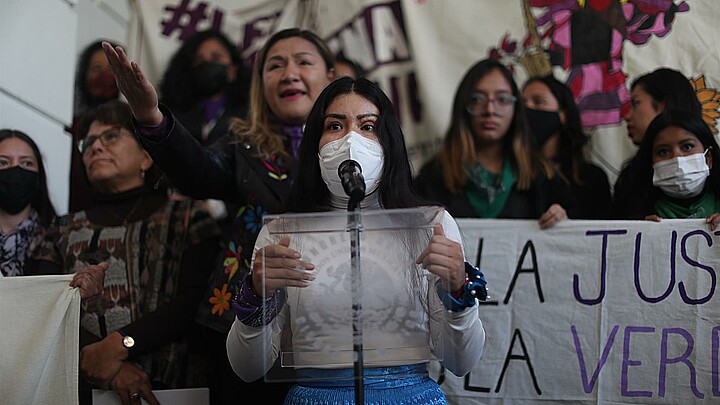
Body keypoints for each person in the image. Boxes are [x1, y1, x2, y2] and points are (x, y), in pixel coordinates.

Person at [102, 28, 336, 403]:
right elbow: (199, 170)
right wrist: (150, 114)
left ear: (330, 77)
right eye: (275, 65)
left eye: (303, 62)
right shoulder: (242, 141)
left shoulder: (360, 146)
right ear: (261, 86)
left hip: (333, 329)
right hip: (241, 326)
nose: (289, 73)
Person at [226, 77, 486, 404]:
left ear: (389, 139)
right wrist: (256, 298)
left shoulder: (430, 225)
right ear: (314, 143)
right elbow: (247, 368)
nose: (351, 139)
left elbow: (463, 363)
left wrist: (458, 294)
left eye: (368, 126)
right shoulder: (281, 233)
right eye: (335, 125)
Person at [31, 100, 222, 405]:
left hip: (174, 388)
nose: (95, 148)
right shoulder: (61, 230)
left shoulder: (187, 218)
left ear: (146, 157)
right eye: (89, 142)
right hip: (80, 389)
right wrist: (108, 365)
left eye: (111, 136)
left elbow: (194, 300)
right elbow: (45, 308)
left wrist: (120, 346)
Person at [414, 58, 577, 228]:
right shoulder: (432, 177)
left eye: (503, 99)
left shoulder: (542, 175)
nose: (490, 110)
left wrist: (563, 222)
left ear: (516, 108)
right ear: (463, 106)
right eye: (477, 99)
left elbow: (577, 240)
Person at [0, 129, 105, 297]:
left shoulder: (60, 239)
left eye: (27, 163)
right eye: (3, 162)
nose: (15, 170)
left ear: (38, 177)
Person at [613, 67, 704, 217]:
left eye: (636, 103)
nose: (627, 116)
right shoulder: (631, 182)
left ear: (663, 105)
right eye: (663, 152)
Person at [522, 75, 612, 219]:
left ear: (563, 115)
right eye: (522, 104)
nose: (527, 109)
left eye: (539, 102)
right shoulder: (512, 173)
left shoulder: (591, 179)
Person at [612, 109, 720, 228]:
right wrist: (636, 229)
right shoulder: (635, 208)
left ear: (708, 158)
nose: (677, 158)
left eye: (687, 146)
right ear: (651, 162)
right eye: (663, 151)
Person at [159, 29, 251, 146]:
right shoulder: (171, 116)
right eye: (199, 60)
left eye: (216, 58)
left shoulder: (251, 115)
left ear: (232, 71)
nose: (207, 63)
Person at [69, 40, 123, 213]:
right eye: (96, 68)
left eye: (111, 68)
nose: (104, 75)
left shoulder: (135, 125)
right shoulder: (71, 127)